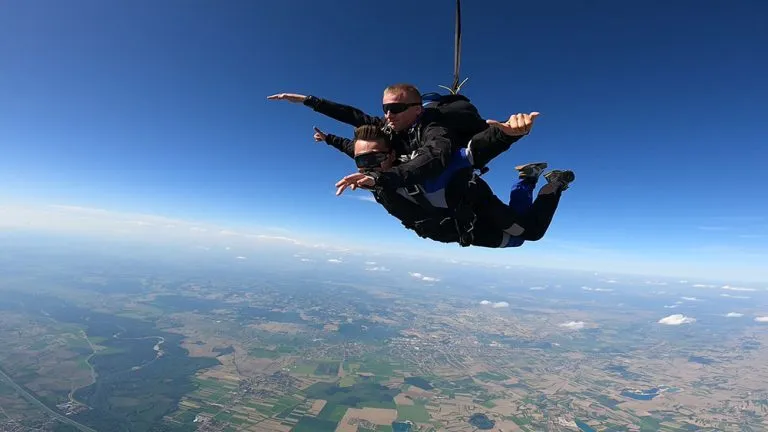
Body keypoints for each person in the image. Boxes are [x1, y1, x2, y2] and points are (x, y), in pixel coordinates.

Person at [314, 123, 574, 248]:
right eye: (361, 161)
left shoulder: (424, 168)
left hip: (473, 207)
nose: (367, 166)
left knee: (531, 233)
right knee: (516, 242)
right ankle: (527, 178)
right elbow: (355, 150)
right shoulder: (368, 168)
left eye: (374, 159)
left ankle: (554, 183)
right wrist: (328, 139)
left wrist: (505, 133)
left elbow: (470, 153)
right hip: (455, 229)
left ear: (392, 155)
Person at [267, 83, 530, 191]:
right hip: (412, 177)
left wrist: (510, 134)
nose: (388, 115)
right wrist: (308, 101)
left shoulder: (434, 128)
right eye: (385, 108)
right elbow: (353, 116)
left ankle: (524, 170)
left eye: (395, 108)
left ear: (417, 110)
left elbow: (434, 156)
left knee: (464, 156)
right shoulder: (391, 127)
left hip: (447, 174)